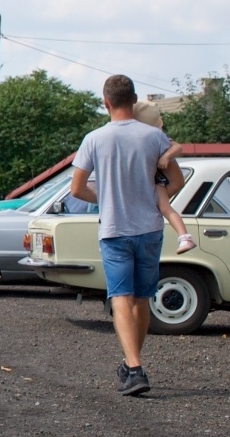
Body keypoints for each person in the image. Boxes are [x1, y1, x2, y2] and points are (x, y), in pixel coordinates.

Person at [68, 75, 183, 396]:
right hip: (149, 229)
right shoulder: (154, 136)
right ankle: (132, 362)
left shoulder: (94, 139)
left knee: (120, 296)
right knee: (143, 297)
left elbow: (76, 189)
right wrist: (154, 198)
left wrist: (104, 198)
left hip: (114, 229)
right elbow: (177, 181)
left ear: (106, 103)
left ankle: (134, 368)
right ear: (133, 99)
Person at [132, 100, 195, 254]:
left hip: (155, 179)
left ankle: (184, 237)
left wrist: (166, 156)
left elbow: (177, 147)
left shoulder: (157, 137)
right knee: (164, 207)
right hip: (151, 180)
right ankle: (184, 237)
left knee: (165, 208)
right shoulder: (149, 137)